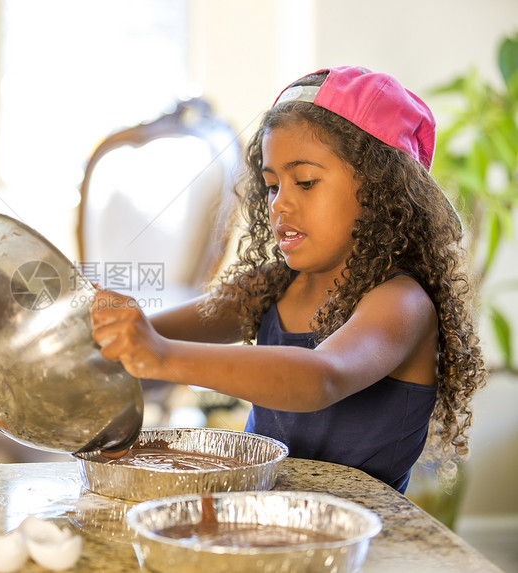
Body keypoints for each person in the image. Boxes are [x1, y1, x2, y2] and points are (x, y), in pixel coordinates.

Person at [91, 66, 486, 492]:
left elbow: (321, 376)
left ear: (382, 191)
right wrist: (105, 334)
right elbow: (144, 341)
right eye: (272, 185)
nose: (280, 204)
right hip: (259, 523)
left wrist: (161, 355)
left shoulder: (402, 303)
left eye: (306, 181)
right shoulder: (271, 287)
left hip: (362, 544)